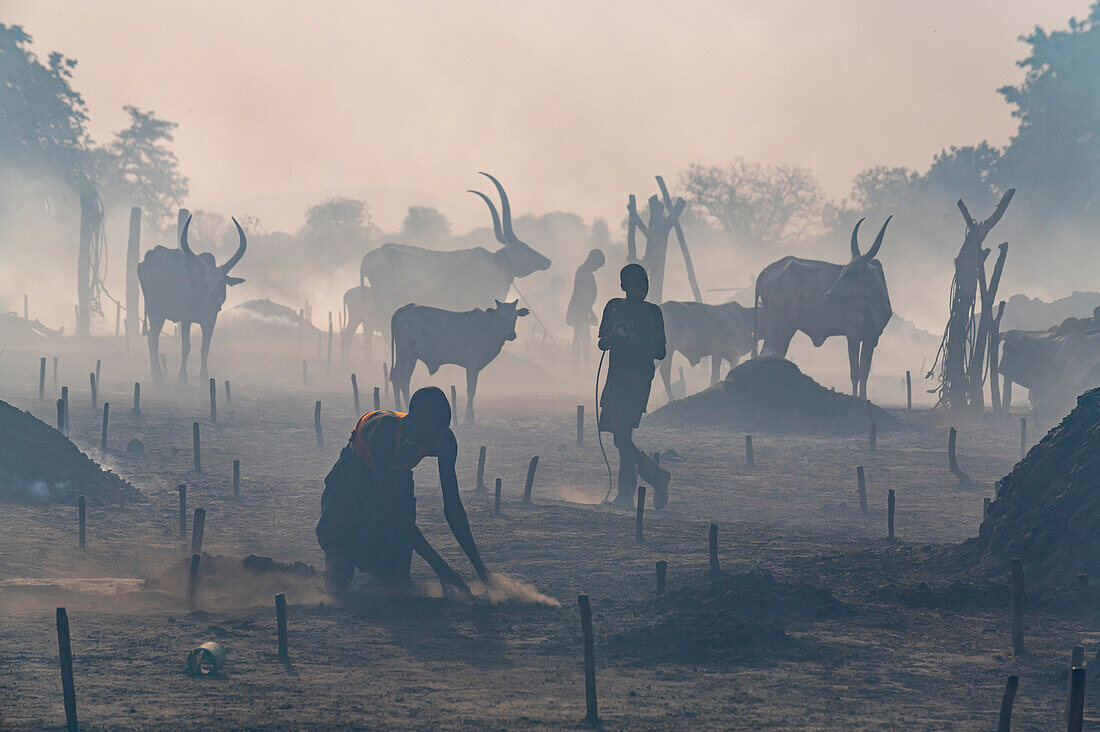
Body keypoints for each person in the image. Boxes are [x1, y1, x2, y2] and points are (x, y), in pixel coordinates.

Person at [316, 386, 489, 597]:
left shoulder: (444, 439)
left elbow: (453, 508)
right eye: (433, 430)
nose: (437, 437)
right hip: (352, 480)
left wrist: (481, 569)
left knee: (396, 583)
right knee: (338, 578)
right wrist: (442, 570)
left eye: (443, 429)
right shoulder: (384, 432)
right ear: (414, 421)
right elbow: (396, 514)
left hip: (396, 479)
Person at [597, 263, 671, 509]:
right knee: (621, 438)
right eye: (637, 284)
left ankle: (653, 478)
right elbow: (602, 340)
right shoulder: (614, 307)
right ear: (624, 287)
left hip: (637, 381)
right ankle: (633, 491)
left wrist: (632, 344)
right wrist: (610, 340)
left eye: (645, 284)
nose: (643, 289)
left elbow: (660, 351)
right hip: (616, 379)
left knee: (622, 437)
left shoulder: (653, 313)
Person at [566, 249, 606, 369]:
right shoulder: (583, 272)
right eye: (597, 265)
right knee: (581, 339)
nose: (597, 269)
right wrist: (591, 313)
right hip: (579, 311)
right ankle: (579, 367)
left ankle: (580, 366)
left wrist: (590, 311)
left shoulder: (584, 272)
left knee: (582, 339)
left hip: (581, 311)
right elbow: (582, 296)